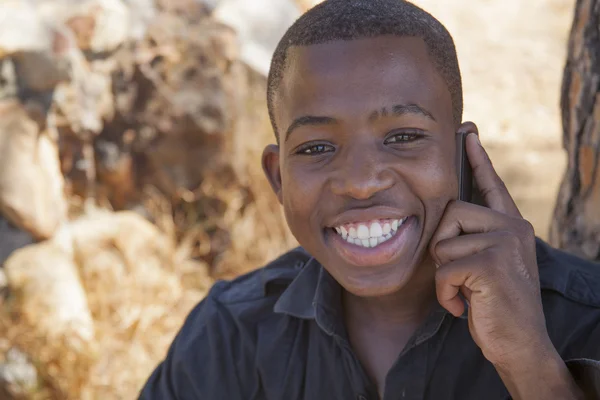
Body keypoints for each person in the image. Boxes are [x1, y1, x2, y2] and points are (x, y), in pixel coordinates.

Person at [139, 1, 600, 399]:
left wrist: (531, 365)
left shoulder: (583, 321)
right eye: (317, 147)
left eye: (403, 136)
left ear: (465, 155)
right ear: (279, 178)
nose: (360, 183)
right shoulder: (230, 337)